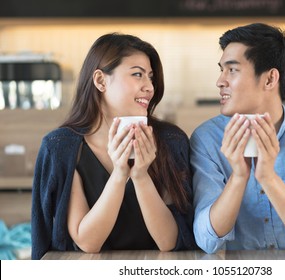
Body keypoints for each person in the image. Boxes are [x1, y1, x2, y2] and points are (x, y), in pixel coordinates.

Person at [31, 33, 196, 260]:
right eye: (137, 74)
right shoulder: (61, 148)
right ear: (100, 81)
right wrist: (119, 174)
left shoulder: (170, 141)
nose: (149, 87)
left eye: (150, 77)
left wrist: (140, 176)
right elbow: (88, 241)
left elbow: (169, 241)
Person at [190, 23, 285, 257]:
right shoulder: (207, 139)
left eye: (232, 70)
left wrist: (268, 177)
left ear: (270, 79)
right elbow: (206, 240)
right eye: (221, 70)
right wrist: (239, 176)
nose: (220, 81)